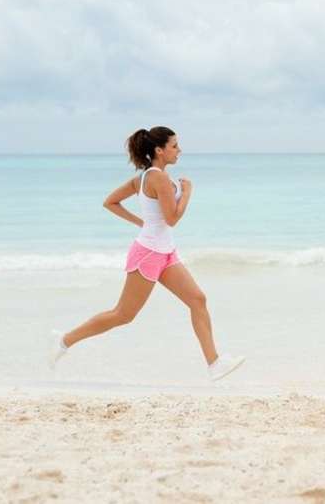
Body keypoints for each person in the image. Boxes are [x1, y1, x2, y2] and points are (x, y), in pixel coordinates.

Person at [48, 126, 245, 382]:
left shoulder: (147, 177)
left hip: (165, 252)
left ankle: (214, 363)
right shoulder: (156, 178)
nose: (179, 150)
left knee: (197, 299)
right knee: (123, 314)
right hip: (148, 253)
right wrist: (187, 193)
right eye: (174, 146)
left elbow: (111, 202)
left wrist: (142, 222)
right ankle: (64, 340)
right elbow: (172, 218)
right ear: (159, 150)